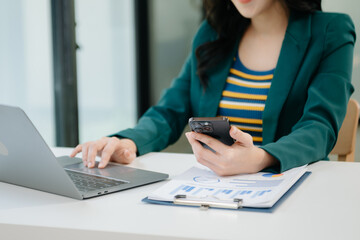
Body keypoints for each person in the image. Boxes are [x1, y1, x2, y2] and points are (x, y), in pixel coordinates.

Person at [71, 0, 355, 176]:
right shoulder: (214, 33)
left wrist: (259, 158)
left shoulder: (331, 30)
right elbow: (170, 110)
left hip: (290, 194)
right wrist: (128, 141)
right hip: (215, 195)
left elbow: (320, 126)